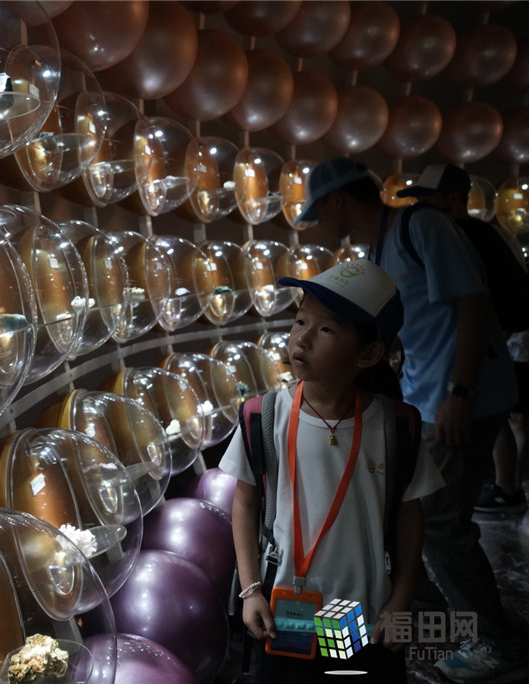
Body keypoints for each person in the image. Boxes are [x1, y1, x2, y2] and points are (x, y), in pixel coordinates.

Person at [290, 158, 524, 683]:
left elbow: (473, 306)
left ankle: (498, 641)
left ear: (337, 200)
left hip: (459, 398)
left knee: (439, 524)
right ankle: (435, 620)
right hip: (426, 398)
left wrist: (459, 394)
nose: (319, 221)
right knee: (410, 517)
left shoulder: (422, 226)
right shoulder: (379, 247)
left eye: (318, 210)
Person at [222, 260, 443, 682]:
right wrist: (250, 590)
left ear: (369, 353)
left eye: (326, 329)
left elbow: (410, 513)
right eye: (300, 320)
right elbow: (245, 501)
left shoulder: (396, 427)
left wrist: (402, 596)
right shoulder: (264, 416)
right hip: (284, 617)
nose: (301, 337)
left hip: (368, 618)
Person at [393, 163, 529, 514]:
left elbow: (480, 305)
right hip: (489, 358)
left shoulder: (464, 236)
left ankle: (507, 488)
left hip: (486, 359)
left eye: (427, 200)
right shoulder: (479, 234)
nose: (419, 209)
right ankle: (506, 487)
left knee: (446, 512)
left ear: (453, 199)